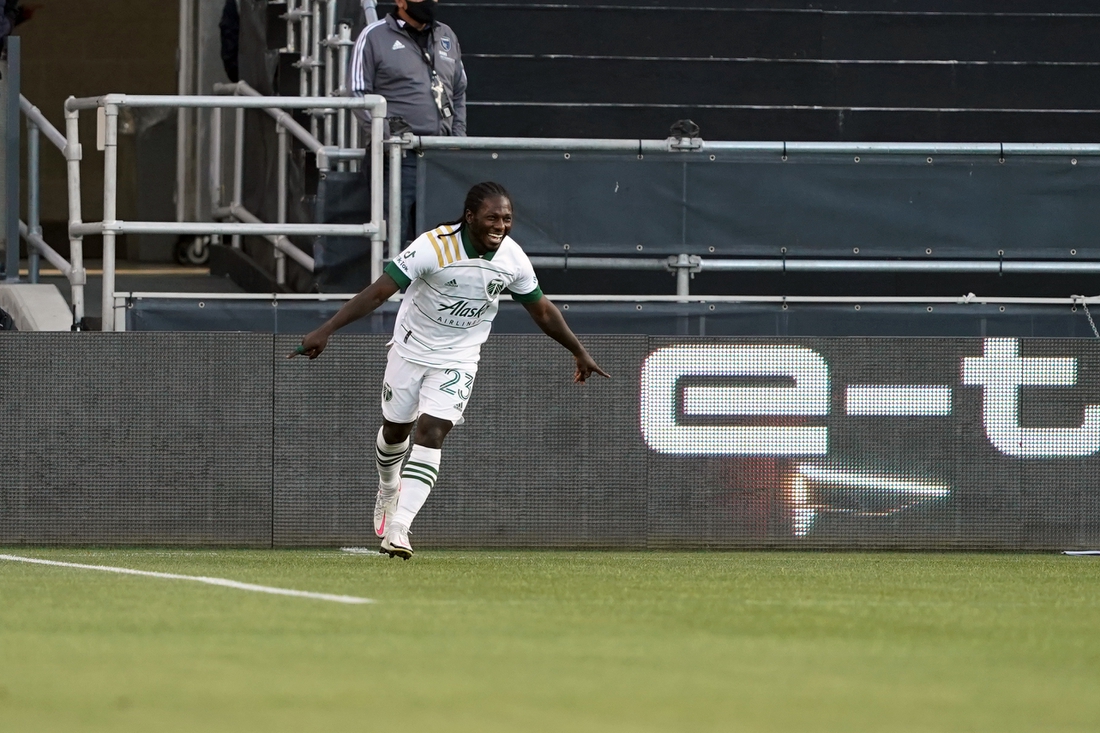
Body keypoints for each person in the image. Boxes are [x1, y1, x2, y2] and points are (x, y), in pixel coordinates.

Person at [290, 182, 609, 559]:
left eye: (507, 218)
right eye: (492, 217)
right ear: (470, 216)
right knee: (396, 430)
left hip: (458, 358)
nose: (501, 225)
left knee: (433, 430)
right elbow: (379, 291)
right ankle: (388, 489)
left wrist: (578, 351)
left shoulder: (513, 259)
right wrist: (326, 329)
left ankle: (399, 528)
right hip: (410, 350)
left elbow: (541, 310)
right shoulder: (433, 246)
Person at [350, 0, 466, 245]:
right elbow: (357, 94)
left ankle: (432, 285)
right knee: (394, 239)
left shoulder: (447, 34)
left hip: (439, 157)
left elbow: (458, 90)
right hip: (396, 157)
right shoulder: (374, 36)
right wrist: (387, 137)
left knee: (440, 240)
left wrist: (457, 137)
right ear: (400, 1)